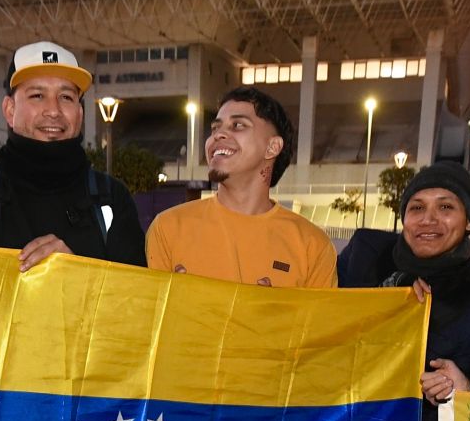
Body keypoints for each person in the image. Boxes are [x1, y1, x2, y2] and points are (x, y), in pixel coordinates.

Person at [343, 163, 470, 421]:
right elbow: (319, 317)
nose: (428, 220)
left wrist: (462, 387)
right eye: (417, 208)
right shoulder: (364, 256)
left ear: (469, 221)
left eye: (445, 208)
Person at [0, 41, 145, 267]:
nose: (53, 110)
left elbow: (135, 298)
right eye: (37, 95)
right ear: (9, 109)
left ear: (80, 113)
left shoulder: (112, 200)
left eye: (66, 97)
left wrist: (75, 275)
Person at [144, 86, 337, 287]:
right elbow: (150, 315)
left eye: (237, 125)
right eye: (215, 128)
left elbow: (321, 319)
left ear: (272, 147)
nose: (217, 135)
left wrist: (277, 315)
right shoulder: (168, 228)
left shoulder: (312, 246)